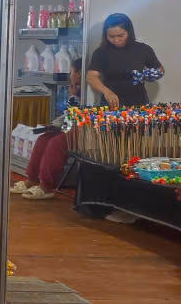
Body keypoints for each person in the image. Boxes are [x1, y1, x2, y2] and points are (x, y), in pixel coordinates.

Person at [12, 59, 83, 203]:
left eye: (71, 72)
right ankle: (32, 179)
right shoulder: (77, 89)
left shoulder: (87, 92)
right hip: (70, 126)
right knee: (44, 138)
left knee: (56, 143)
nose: (70, 75)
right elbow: (69, 118)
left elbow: (75, 116)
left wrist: (73, 96)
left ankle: (47, 186)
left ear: (79, 73)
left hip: (83, 131)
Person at [87, 13, 164, 108]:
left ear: (129, 32)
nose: (116, 40)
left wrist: (150, 74)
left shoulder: (143, 49)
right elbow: (91, 77)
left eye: (121, 35)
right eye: (111, 36)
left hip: (139, 104)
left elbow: (160, 70)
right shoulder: (101, 52)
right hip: (111, 104)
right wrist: (106, 92)